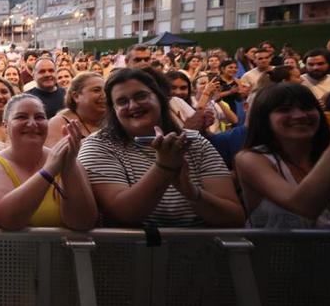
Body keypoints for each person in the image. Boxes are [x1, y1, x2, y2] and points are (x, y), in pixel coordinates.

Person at [76, 68, 245, 227]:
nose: (133, 105)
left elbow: (234, 217)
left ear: (160, 98)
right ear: (113, 110)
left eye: (141, 96)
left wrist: (192, 193)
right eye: (122, 101)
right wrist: (164, 167)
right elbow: (123, 215)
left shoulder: (195, 143)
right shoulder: (99, 146)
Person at [0, 94, 98, 230]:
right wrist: (49, 171)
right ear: (6, 126)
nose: (32, 123)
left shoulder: (68, 160)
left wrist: (69, 165)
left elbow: (83, 222)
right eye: (21, 117)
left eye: (39, 117)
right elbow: (9, 220)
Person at [236, 83, 330, 228]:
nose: (300, 115)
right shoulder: (250, 159)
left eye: (307, 107)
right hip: (272, 250)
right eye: (284, 110)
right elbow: (304, 207)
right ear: (264, 119)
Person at [46, 72, 106, 147]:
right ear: (76, 96)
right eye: (96, 90)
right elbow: (53, 156)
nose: (105, 95)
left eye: (106, 90)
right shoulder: (59, 123)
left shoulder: (112, 121)